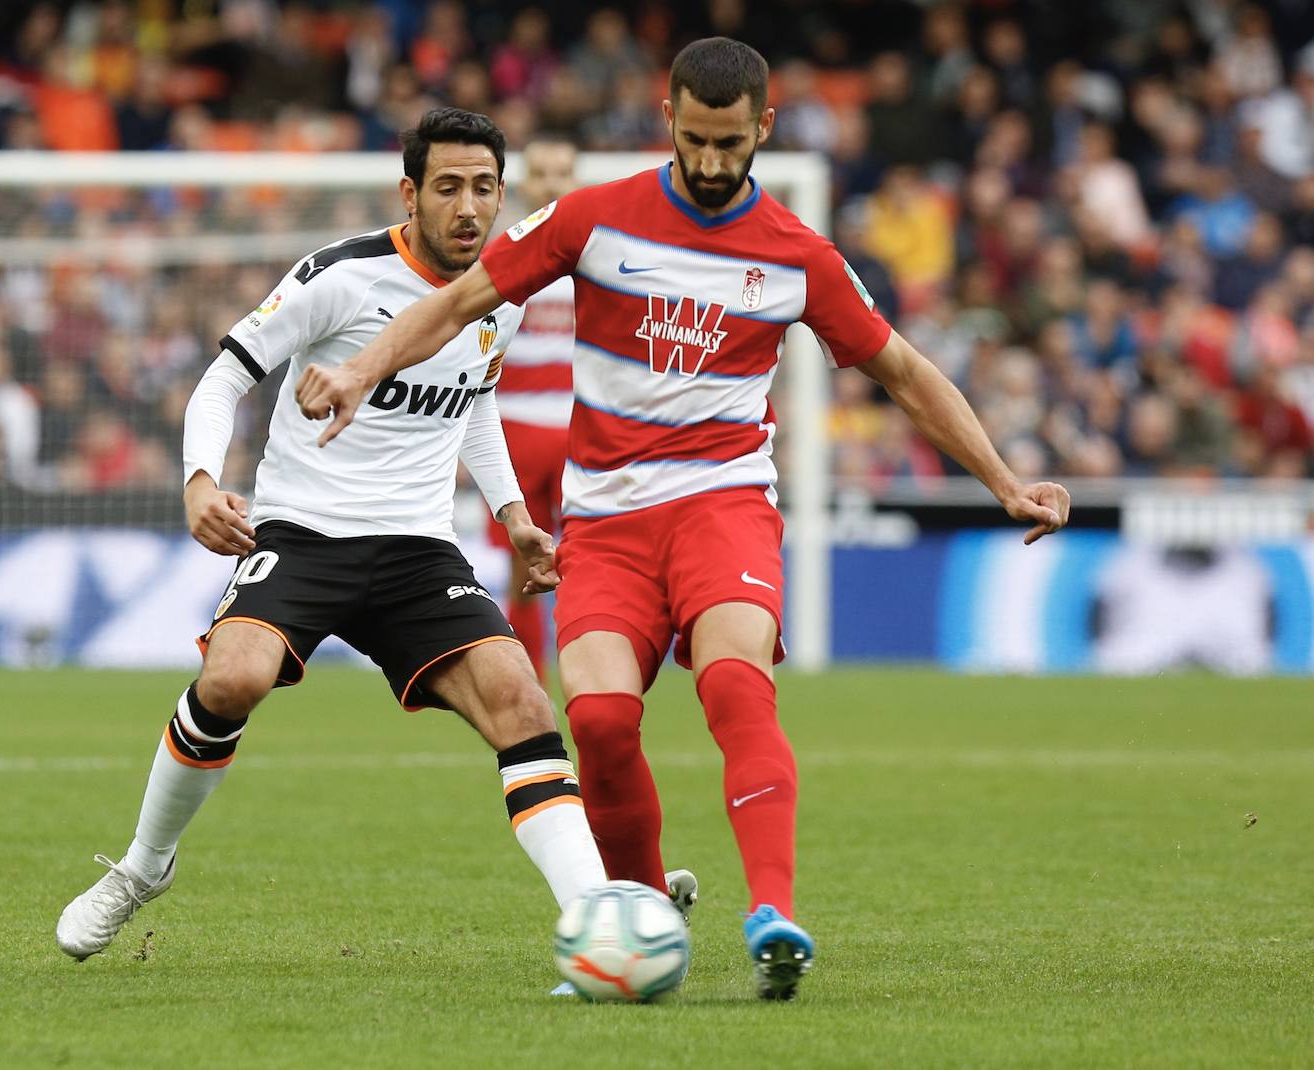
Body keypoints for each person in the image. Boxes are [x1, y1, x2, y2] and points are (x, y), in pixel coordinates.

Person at [295, 40, 1071, 1001]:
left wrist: (1002, 479)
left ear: (764, 130)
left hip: (722, 508)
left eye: (731, 144)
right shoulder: (592, 220)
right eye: (696, 140)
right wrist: (362, 373)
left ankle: (772, 913)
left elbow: (903, 372)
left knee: (737, 690)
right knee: (602, 721)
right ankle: (643, 914)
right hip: (607, 523)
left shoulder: (798, 257)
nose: (712, 163)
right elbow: (459, 302)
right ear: (669, 119)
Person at [55, 108, 606, 965]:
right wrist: (200, 480)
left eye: (485, 189)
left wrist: (513, 518)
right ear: (410, 193)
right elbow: (221, 379)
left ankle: (598, 921)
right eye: (450, 187)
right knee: (233, 677)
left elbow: (476, 400)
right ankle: (140, 869)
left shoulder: (502, 290)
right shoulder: (340, 277)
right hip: (304, 534)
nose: (469, 207)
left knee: (525, 705)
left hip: (419, 549)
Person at [486, 136, 578, 680]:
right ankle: (531, 689)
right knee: (523, 571)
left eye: (561, 172)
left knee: (591, 563)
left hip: (582, 435)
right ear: (522, 185)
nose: (550, 183)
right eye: (540, 173)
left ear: (575, 180)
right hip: (514, 433)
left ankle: (593, 680)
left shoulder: (598, 254)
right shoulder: (499, 255)